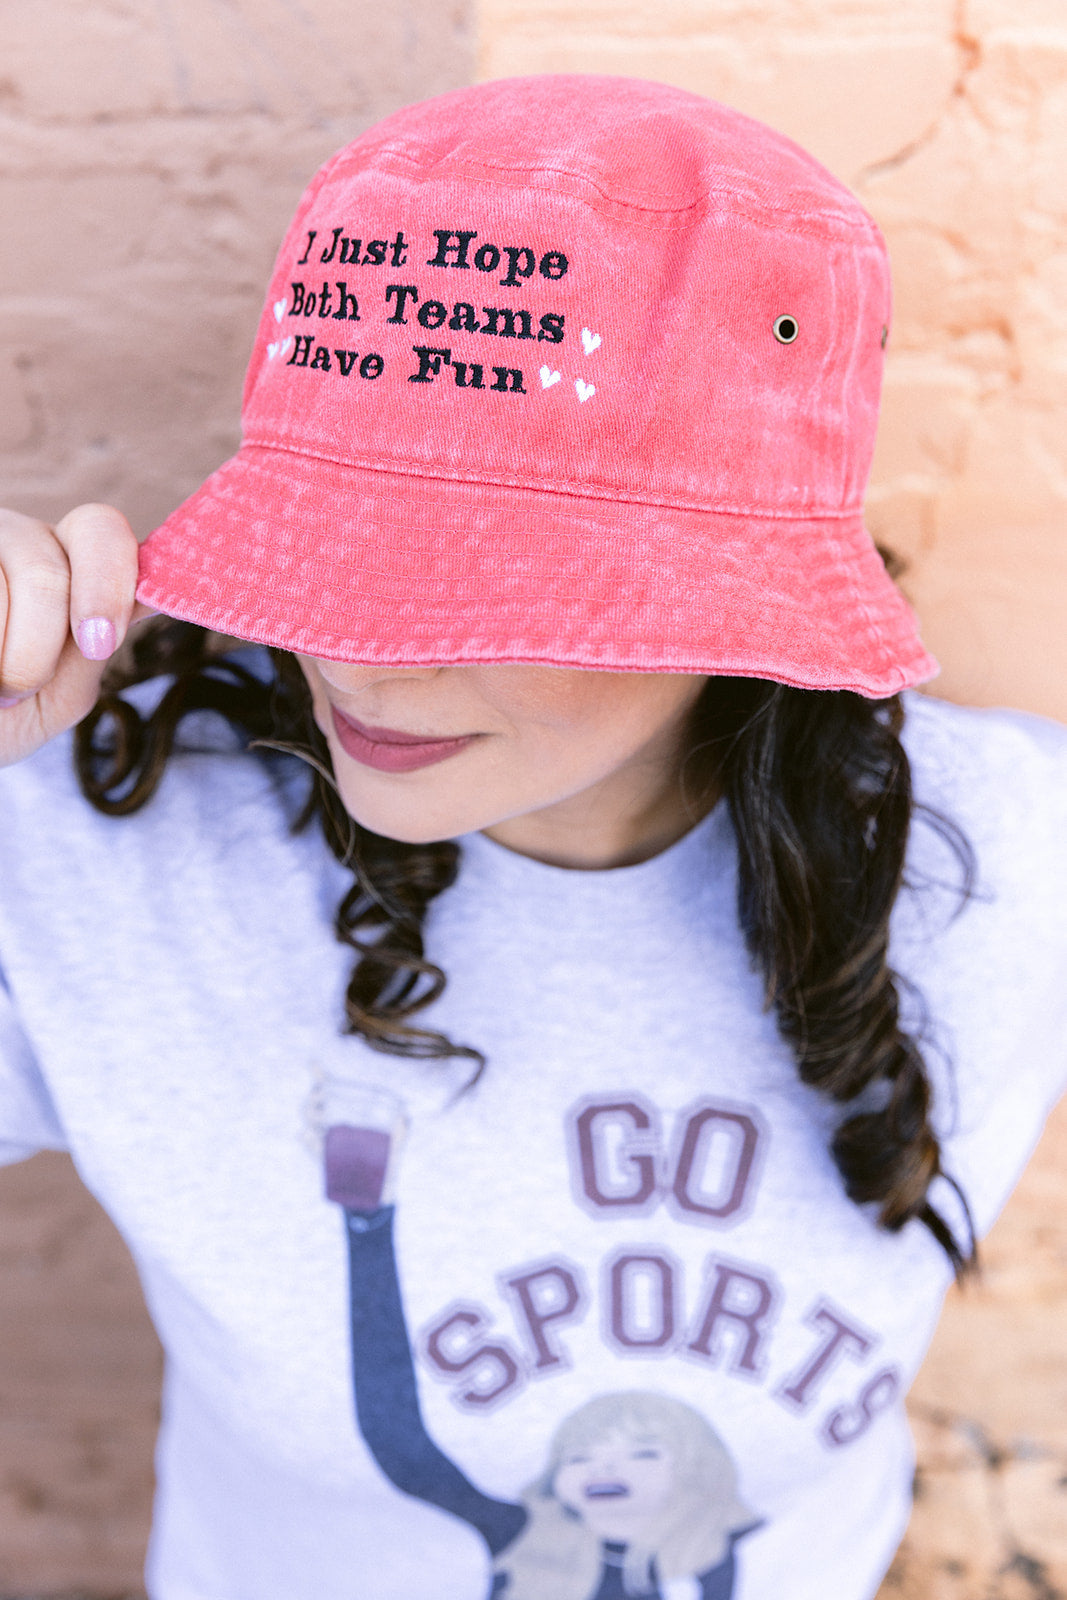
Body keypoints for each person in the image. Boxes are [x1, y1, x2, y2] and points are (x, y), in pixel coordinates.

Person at [0, 74, 1064, 1600]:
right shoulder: (117, 840)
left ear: (738, 597)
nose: (363, 658)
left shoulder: (1009, 857)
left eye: (489, 587)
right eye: (335, 543)